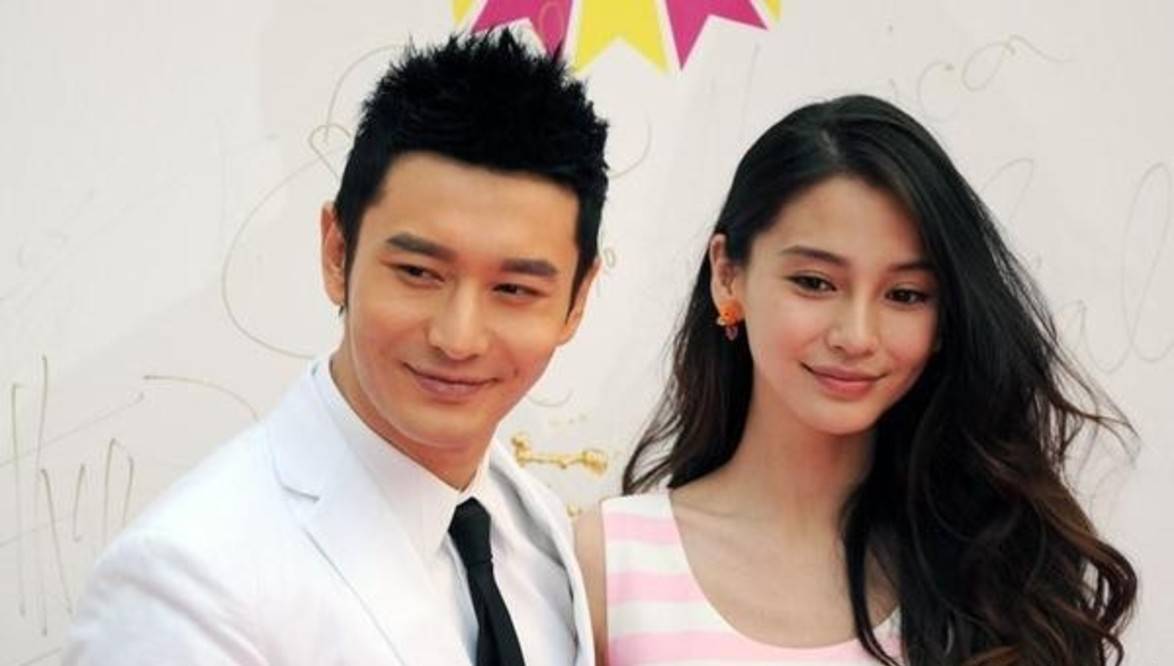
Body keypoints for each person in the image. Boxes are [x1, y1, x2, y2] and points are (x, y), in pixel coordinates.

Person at [65, 30, 609, 666]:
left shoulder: (536, 526)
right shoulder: (185, 582)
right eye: (418, 273)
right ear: (336, 253)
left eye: (514, 289)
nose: (458, 338)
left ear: (577, 300)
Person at [575, 95, 1137, 665]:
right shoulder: (608, 564)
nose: (857, 336)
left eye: (905, 295)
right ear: (727, 275)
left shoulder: (997, 580)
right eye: (815, 283)